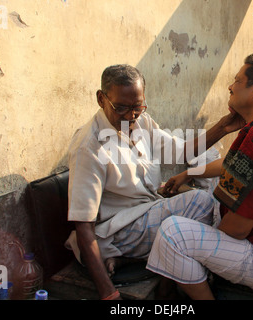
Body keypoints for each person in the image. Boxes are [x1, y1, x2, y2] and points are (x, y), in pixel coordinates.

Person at [65, 64, 243, 300]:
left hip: (147, 214)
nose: (130, 116)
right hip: (119, 231)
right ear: (101, 99)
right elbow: (84, 227)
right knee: (200, 204)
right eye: (121, 108)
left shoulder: (142, 123)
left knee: (208, 203)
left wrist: (222, 127)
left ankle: (163, 275)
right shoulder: (89, 146)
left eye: (137, 107)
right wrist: (109, 294)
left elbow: (182, 153)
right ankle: (168, 286)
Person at [146, 54, 253, 299]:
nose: (230, 86)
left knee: (173, 234)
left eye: (237, 81)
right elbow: (232, 164)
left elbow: (236, 229)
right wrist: (188, 173)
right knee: (204, 203)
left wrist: (204, 247)